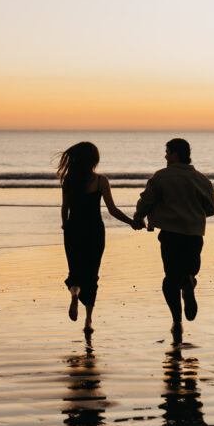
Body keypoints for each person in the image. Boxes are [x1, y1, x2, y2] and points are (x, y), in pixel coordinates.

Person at [133, 138, 214, 332]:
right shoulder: (201, 179)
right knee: (189, 271)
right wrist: (193, 210)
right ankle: (188, 282)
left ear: (175, 154)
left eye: (167, 152)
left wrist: (139, 218)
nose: (165, 156)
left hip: (171, 234)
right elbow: (212, 208)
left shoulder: (161, 177)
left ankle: (177, 321)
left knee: (170, 278)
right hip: (194, 234)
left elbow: (146, 201)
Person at [57, 141, 136, 333]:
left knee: (75, 271)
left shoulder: (68, 180)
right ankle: (88, 321)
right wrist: (131, 222)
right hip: (94, 230)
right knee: (91, 274)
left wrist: (65, 225)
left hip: (74, 229)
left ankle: (74, 294)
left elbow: (64, 209)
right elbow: (112, 210)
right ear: (94, 160)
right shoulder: (101, 181)